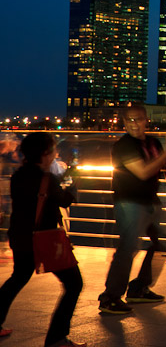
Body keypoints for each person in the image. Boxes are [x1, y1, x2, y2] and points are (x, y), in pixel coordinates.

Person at [0, 133, 85, 347]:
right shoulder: (47, 179)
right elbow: (64, 201)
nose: (56, 153)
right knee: (74, 283)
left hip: (19, 236)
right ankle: (56, 338)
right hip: (43, 239)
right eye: (54, 149)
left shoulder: (19, 175)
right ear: (45, 154)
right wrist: (73, 185)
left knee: (18, 278)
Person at [98, 103, 166, 315]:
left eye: (138, 119)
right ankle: (110, 297)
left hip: (150, 200)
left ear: (147, 120)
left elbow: (163, 166)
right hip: (129, 202)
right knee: (128, 248)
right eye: (130, 120)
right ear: (124, 122)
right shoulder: (124, 146)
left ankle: (139, 288)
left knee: (161, 243)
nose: (134, 124)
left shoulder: (153, 142)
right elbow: (144, 172)